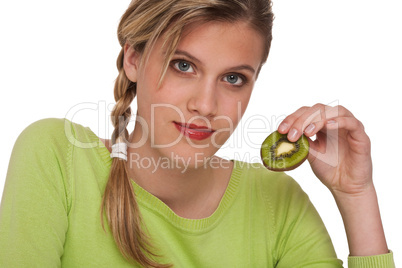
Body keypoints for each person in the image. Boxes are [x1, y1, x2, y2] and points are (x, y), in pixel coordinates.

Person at [0, 0, 395, 267]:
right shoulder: (58, 157)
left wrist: (356, 196)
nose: (206, 105)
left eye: (233, 78)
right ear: (133, 59)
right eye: (183, 66)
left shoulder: (279, 204)